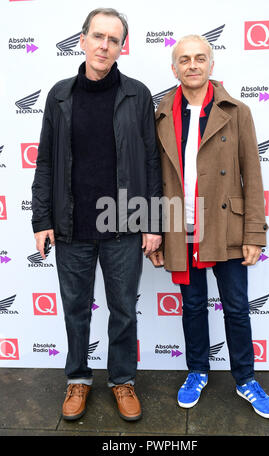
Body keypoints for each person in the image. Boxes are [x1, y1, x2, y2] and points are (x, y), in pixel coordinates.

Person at [31, 8, 162, 422]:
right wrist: (41, 219)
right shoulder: (59, 95)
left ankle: (122, 380)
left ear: (123, 47)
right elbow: (46, 163)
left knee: (123, 308)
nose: (105, 45)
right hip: (71, 227)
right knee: (75, 309)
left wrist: (154, 221)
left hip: (124, 225)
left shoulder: (137, 94)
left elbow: (151, 161)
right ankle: (78, 379)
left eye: (114, 39)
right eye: (98, 36)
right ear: (83, 39)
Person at [150, 34, 269, 419]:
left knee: (237, 307)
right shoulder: (158, 116)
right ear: (174, 68)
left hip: (227, 227)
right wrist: (151, 231)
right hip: (180, 227)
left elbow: (252, 176)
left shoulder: (236, 111)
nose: (192, 65)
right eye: (184, 59)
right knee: (192, 306)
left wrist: (255, 233)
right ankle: (197, 370)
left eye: (199, 58)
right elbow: (150, 179)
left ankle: (245, 379)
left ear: (211, 65)